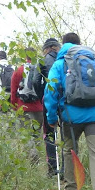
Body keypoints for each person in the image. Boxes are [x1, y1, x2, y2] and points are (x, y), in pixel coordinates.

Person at [44, 33, 95, 190]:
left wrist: (51, 118)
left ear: (63, 44)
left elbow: (51, 92)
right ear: (80, 43)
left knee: (70, 152)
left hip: (70, 117)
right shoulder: (94, 61)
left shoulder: (60, 63)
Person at [10, 50, 44, 164]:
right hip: (39, 108)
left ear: (25, 57)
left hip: (23, 107)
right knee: (37, 134)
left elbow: (13, 90)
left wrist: (15, 106)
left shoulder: (19, 70)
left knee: (26, 134)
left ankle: (33, 158)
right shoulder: (40, 69)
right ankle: (39, 159)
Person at [39, 38, 61, 177]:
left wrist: (43, 95)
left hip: (48, 101)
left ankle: (53, 168)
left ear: (46, 48)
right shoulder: (64, 60)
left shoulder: (42, 61)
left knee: (50, 135)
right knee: (65, 135)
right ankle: (66, 169)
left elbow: (35, 80)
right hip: (65, 102)